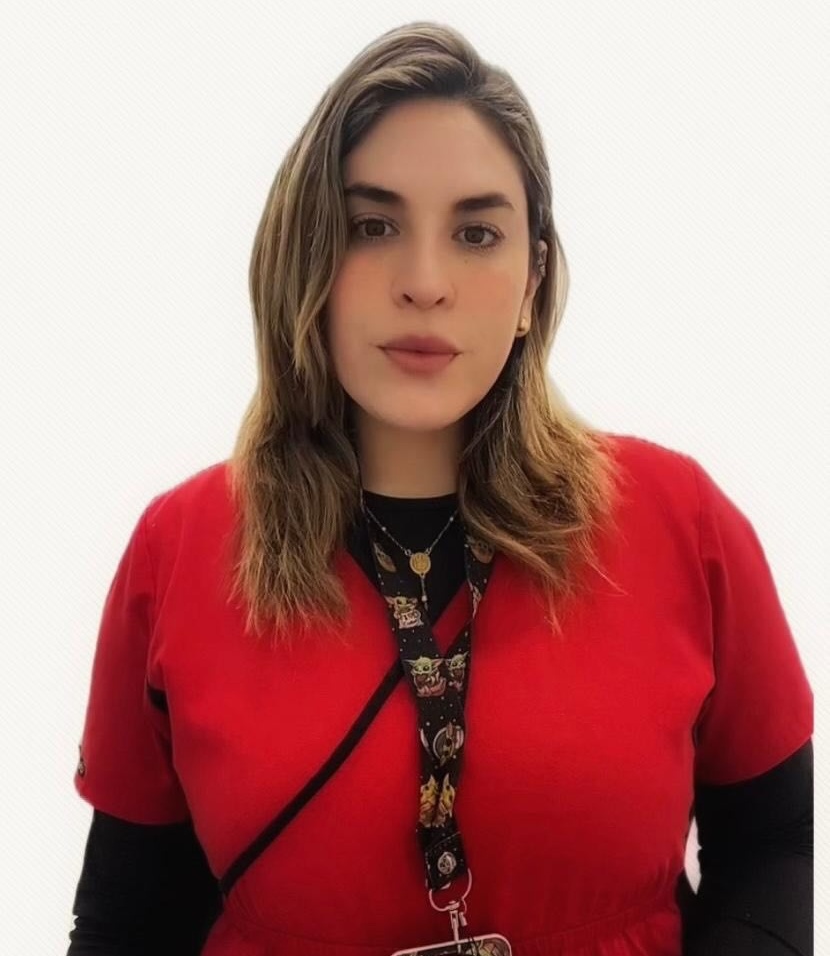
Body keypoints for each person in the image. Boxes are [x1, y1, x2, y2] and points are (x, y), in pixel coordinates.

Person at [67, 20, 813, 956]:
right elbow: (128, 921)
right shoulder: (179, 549)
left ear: (533, 279)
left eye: (476, 233)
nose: (425, 282)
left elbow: (776, 845)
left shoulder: (680, 520)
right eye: (372, 226)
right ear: (305, 256)